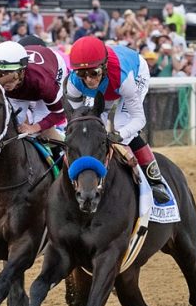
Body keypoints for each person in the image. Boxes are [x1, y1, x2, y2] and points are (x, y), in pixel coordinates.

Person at [65, 35, 169, 203]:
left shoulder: (123, 78)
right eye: (82, 73)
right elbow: (78, 122)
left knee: (122, 124)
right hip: (109, 85)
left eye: (94, 73)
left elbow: (139, 119)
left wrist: (119, 135)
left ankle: (155, 180)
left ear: (104, 67)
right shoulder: (74, 83)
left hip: (134, 72)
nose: (89, 80)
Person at [0, 40, 68, 140]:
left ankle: (62, 149)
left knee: (41, 131)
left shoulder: (43, 82)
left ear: (22, 72)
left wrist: (34, 128)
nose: (5, 81)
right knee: (16, 126)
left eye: (10, 75)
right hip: (27, 82)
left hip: (54, 66)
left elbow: (59, 113)